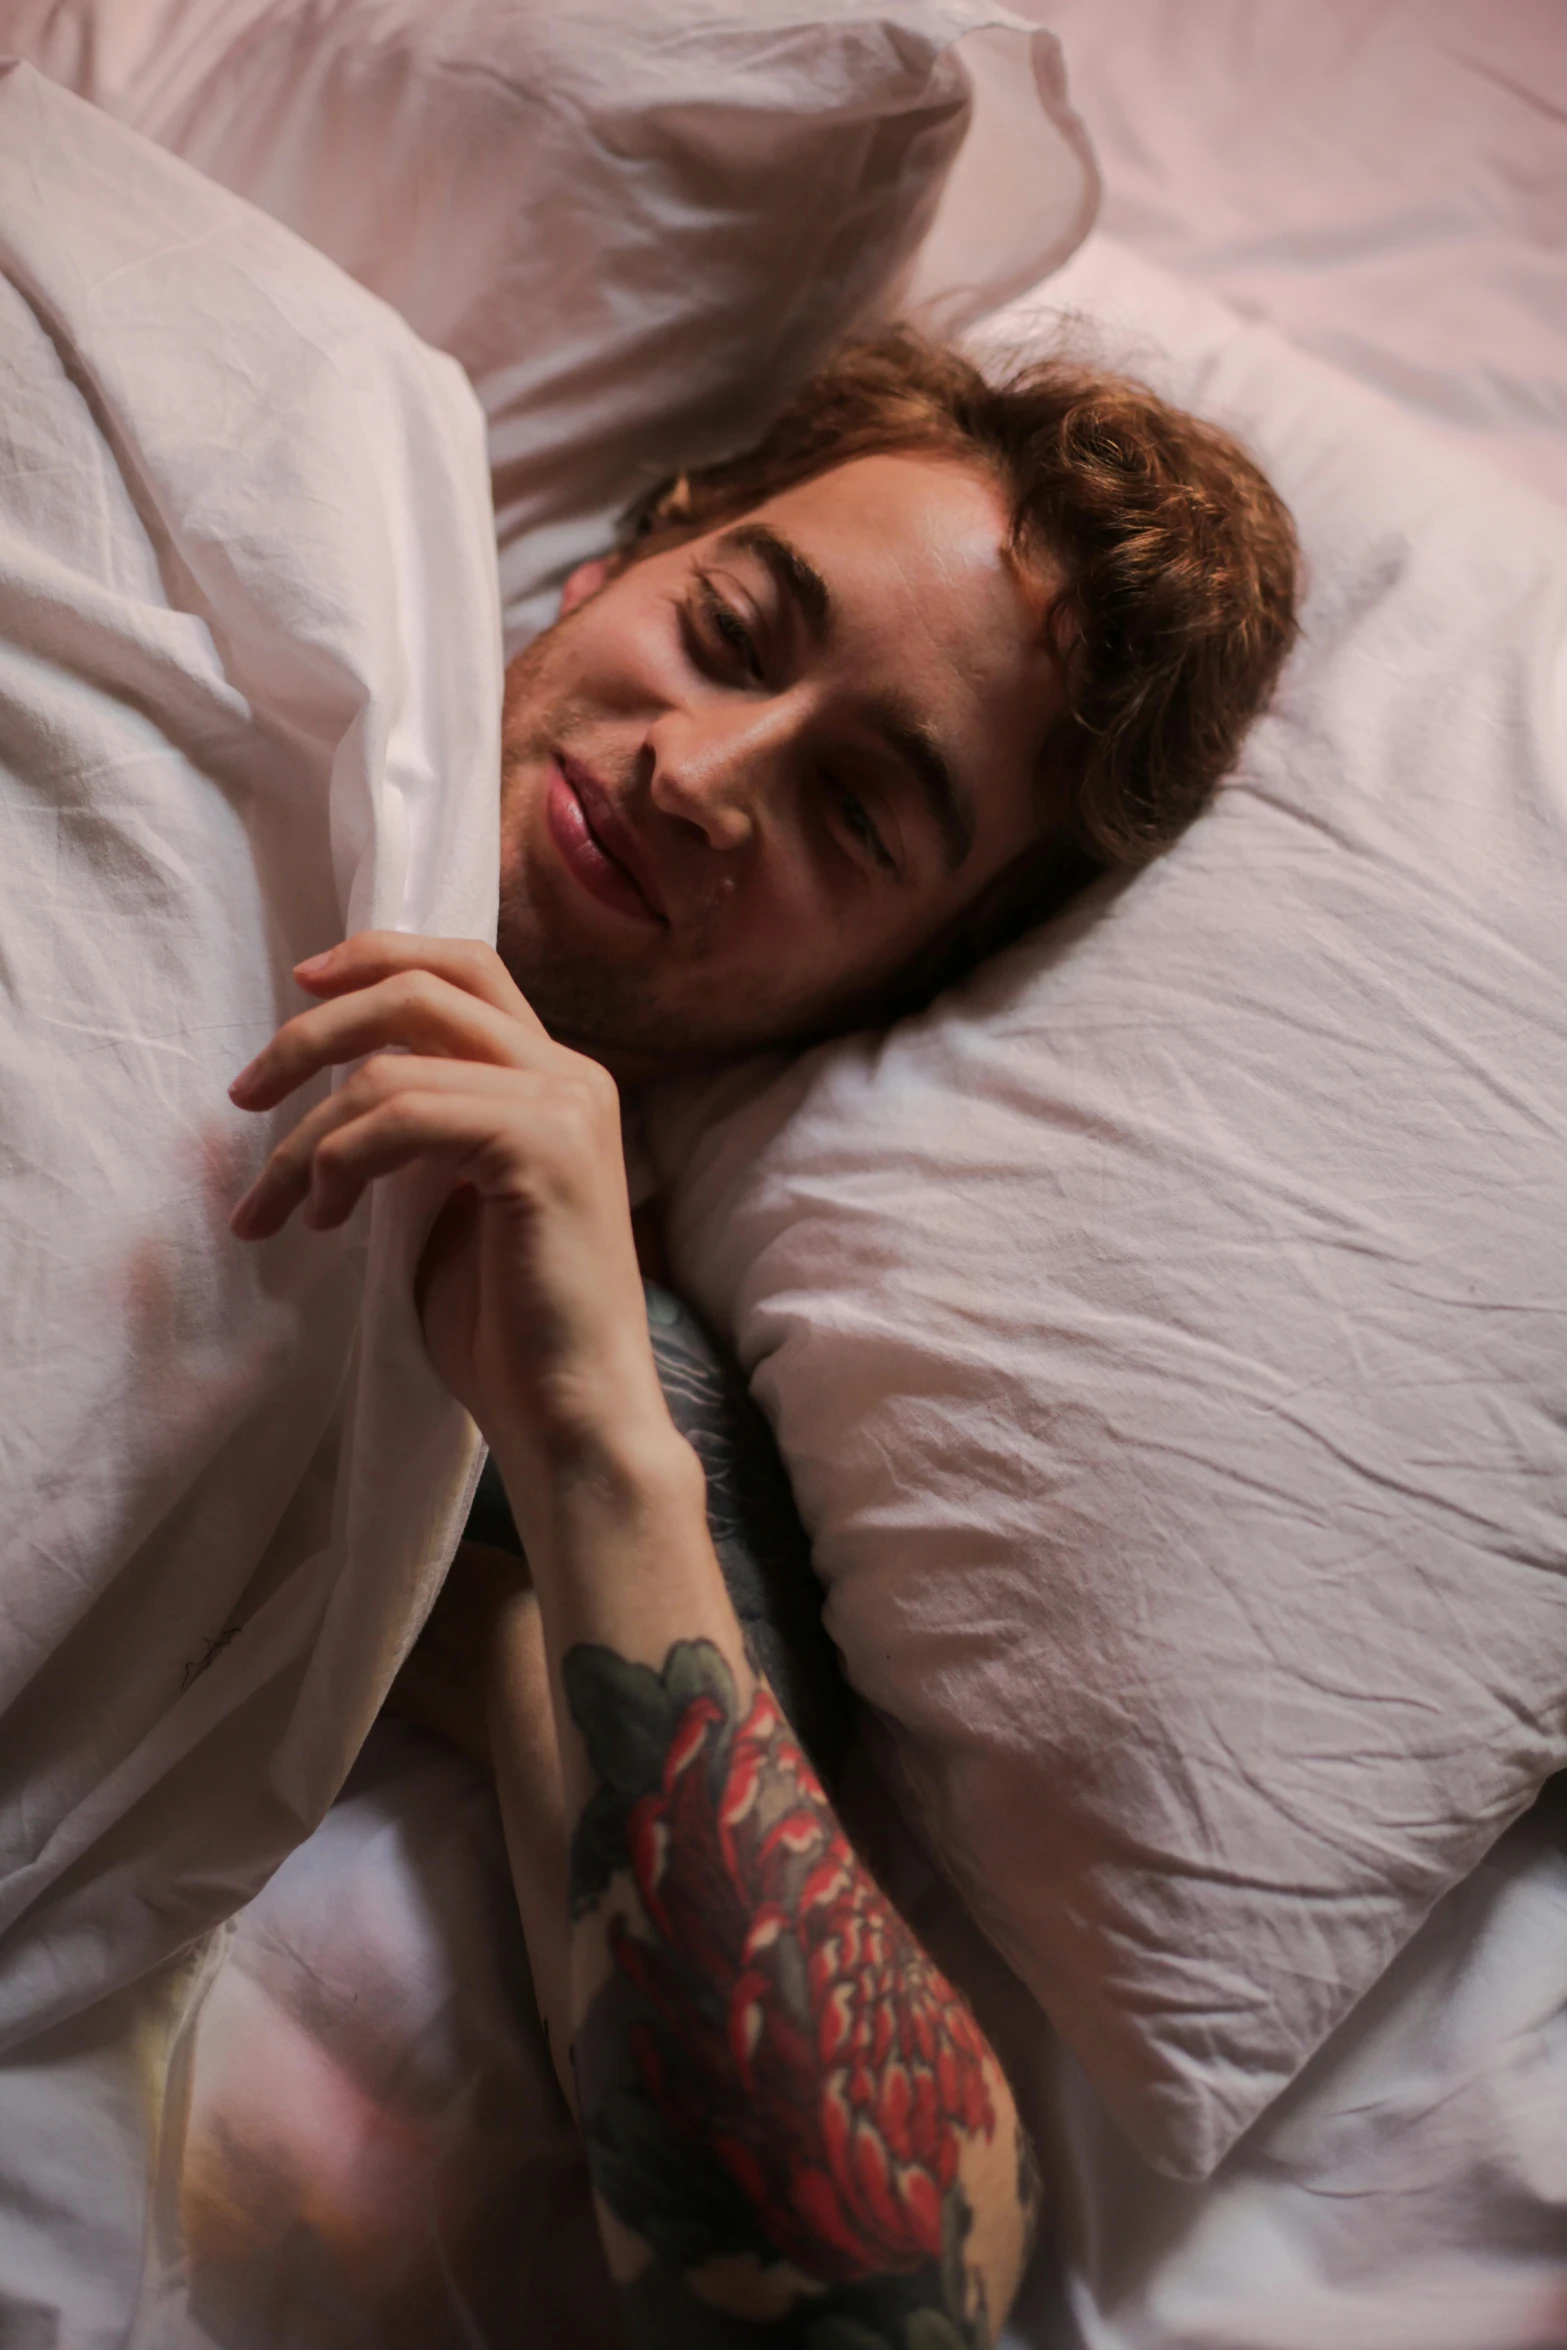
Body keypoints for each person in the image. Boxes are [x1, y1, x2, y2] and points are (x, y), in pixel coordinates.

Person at [225, 332, 1298, 2349]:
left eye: (860, 812)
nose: (695, 774)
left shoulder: (615, 1373)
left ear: (908, 980)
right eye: (729, 633)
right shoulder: (252, 583)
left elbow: (880, 2303)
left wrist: (589, 1440)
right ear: (628, 557)